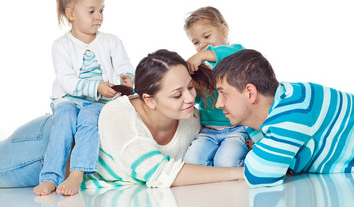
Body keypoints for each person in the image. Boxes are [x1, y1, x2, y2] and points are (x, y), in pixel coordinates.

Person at [0, 49, 244, 191]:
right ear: (149, 100)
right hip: (48, 148)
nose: (191, 98)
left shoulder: (190, 117)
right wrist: (238, 173)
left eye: (190, 87)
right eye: (177, 94)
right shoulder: (119, 118)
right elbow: (161, 173)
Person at [33, 0, 135, 196]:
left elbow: (124, 65)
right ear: (71, 13)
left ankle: (77, 173)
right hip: (69, 99)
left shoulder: (111, 41)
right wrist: (96, 86)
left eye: (101, 10)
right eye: (91, 11)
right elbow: (66, 80)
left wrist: (126, 78)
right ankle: (50, 177)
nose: (98, 16)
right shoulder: (61, 45)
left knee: (89, 121)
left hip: (98, 102)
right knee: (64, 122)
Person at [213, 49, 354, 188]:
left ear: (250, 93)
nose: (218, 104)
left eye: (223, 93)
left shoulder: (294, 109)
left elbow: (259, 175)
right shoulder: (263, 119)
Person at [182, 6, 249, 167]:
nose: (203, 44)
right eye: (196, 42)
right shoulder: (202, 67)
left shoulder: (237, 53)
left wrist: (201, 55)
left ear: (224, 29)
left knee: (226, 161)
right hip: (208, 130)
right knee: (192, 161)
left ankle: (250, 162)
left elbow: (226, 55)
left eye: (207, 36)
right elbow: (198, 100)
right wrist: (194, 86)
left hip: (236, 129)